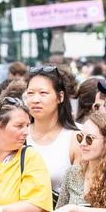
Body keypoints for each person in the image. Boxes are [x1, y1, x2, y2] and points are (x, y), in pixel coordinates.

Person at [24, 65, 78, 201]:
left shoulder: (76, 138)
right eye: (30, 93)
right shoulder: (18, 134)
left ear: (60, 97)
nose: (35, 99)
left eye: (43, 93)